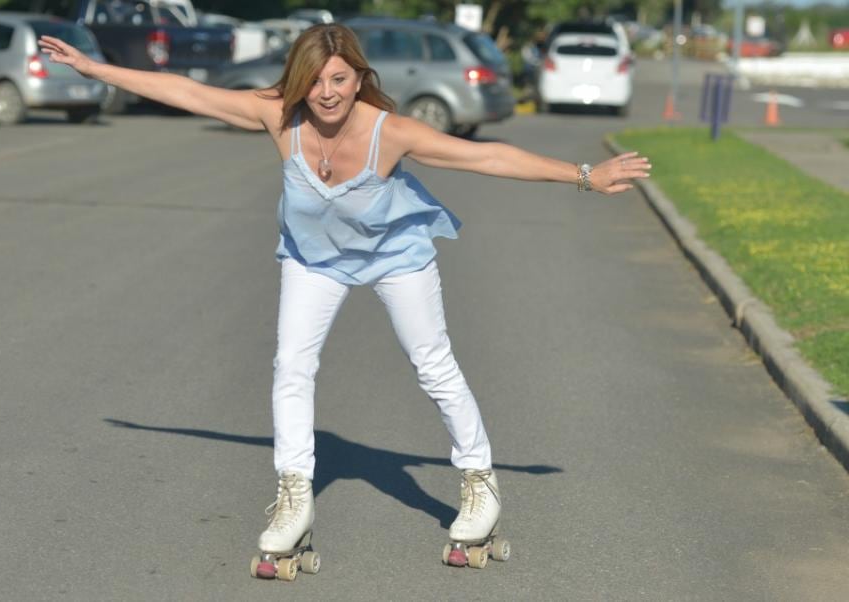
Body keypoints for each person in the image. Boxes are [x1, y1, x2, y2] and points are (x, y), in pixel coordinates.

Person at [39, 23, 651, 577]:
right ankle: (294, 496)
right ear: (298, 83)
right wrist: (96, 69)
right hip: (314, 260)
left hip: (396, 256)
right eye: (315, 81)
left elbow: (487, 155)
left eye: (339, 78)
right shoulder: (279, 116)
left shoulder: (392, 133)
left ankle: (480, 480)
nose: (327, 93)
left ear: (359, 77)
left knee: (431, 363)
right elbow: (187, 91)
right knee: (291, 367)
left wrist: (584, 176)